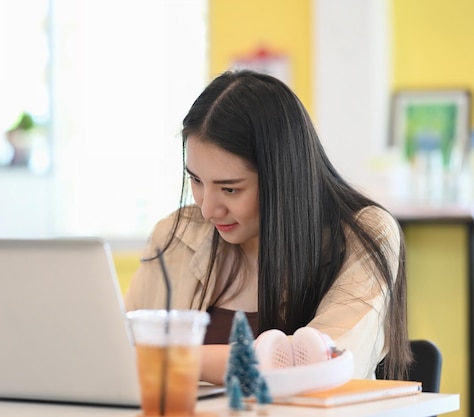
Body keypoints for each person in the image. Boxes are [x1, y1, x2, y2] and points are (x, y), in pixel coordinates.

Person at [124, 70, 412, 385]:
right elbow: (118, 352)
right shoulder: (175, 235)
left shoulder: (364, 235)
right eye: (196, 180)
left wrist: (169, 358)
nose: (207, 209)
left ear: (283, 180)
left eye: (230, 189)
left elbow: (321, 368)